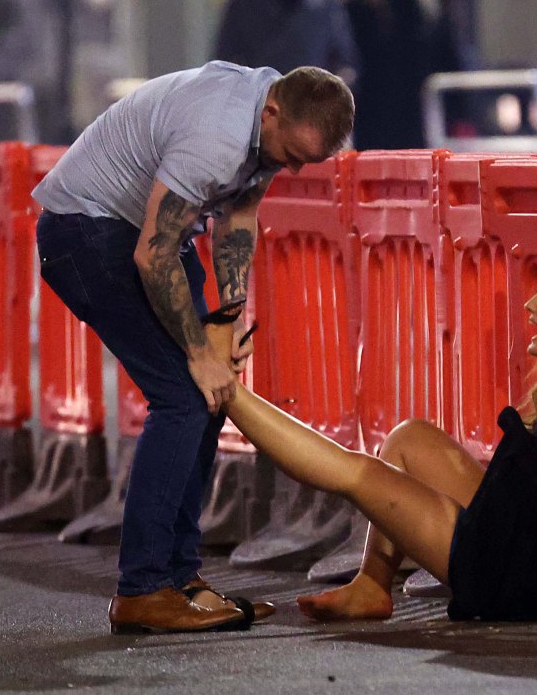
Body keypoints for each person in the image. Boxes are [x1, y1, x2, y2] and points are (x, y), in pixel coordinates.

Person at [33, 62, 355, 634]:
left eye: (308, 161)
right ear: (273, 111)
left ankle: (180, 577)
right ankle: (142, 588)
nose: (295, 168)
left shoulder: (268, 123)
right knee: (182, 396)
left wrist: (225, 326)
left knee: (211, 395)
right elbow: (152, 256)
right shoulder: (219, 132)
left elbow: (238, 218)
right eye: (292, 154)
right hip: (87, 233)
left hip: (143, 232)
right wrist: (198, 352)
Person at [208, 258, 537, 621]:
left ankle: (228, 391)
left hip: (517, 574)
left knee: (358, 473)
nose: (530, 307)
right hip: (518, 539)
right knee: (408, 439)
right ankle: (371, 585)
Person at [343, 0, 461, 149]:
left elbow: (448, 60)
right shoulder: (353, 5)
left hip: (419, 119)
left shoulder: (426, 5)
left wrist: (458, 115)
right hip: (373, 120)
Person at [214, 0, 358, 82]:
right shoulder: (244, 2)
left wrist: (333, 90)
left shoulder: (327, 2)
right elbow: (224, 63)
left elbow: (344, 62)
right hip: (259, 109)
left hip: (311, 109)